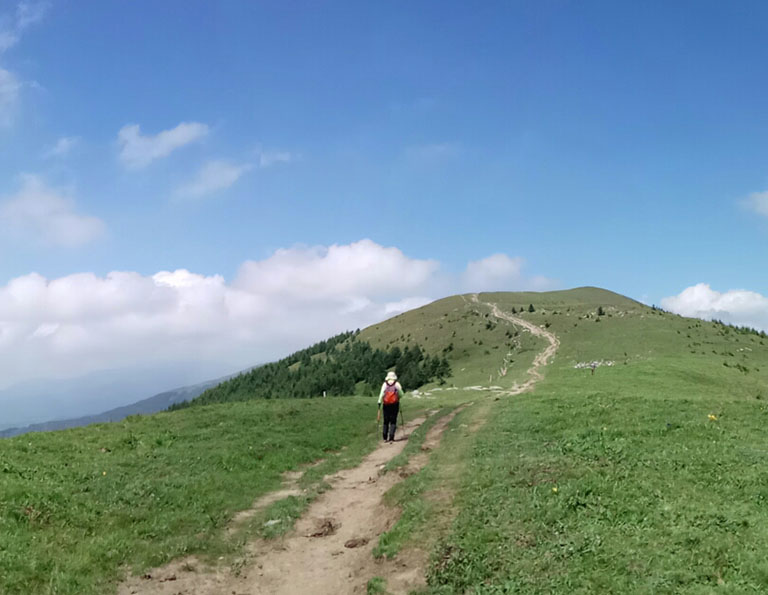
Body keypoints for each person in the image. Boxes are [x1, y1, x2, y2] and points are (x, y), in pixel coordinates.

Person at [377, 371, 403, 443]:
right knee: (393, 421)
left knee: (386, 421)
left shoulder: (385, 384)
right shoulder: (397, 384)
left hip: (386, 405)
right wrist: (398, 397)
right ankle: (391, 437)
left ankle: (385, 437)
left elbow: (381, 394)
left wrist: (379, 402)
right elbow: (401, 394)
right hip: (394, 404)